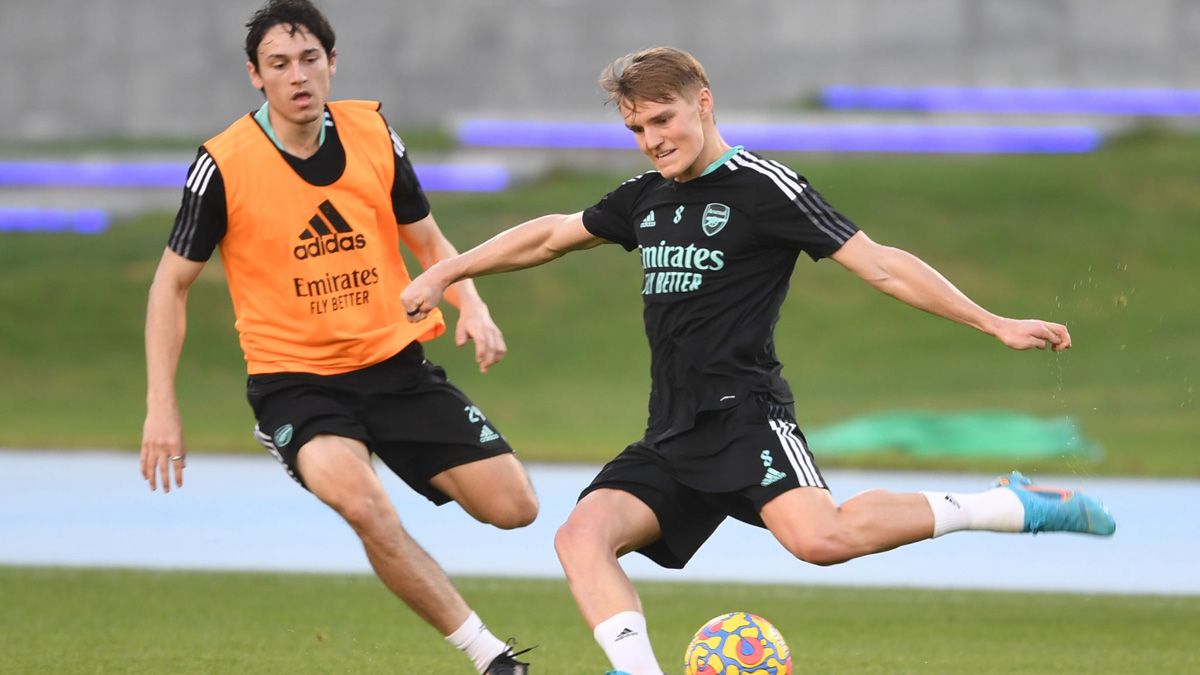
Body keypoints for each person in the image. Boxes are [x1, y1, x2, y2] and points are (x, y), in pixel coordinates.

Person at [400, 47, 1117, 675]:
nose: (652, 141)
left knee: (821, 539)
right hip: (671, 431)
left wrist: (993, 321)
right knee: (581, 535)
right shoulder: (646, 199)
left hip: (745, 417)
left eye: (663, 120)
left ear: (703, 103)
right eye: (637, 130)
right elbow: (551, 235)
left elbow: (881, 265)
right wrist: (446, 272)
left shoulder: (764, 187)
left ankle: (1006, 504)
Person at [138, 2, 537, 673]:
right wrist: (161, 404)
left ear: (332, 62)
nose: (297, 76)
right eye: (279, 64)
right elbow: (168, 286)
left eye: (309, 59)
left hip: (395, 366)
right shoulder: (223, 164)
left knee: (514, 506)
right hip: (296, 384)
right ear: (255, 76)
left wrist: (471, 302)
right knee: (365, 504)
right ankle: (490, 655)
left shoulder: (373, 133)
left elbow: (428, 239)